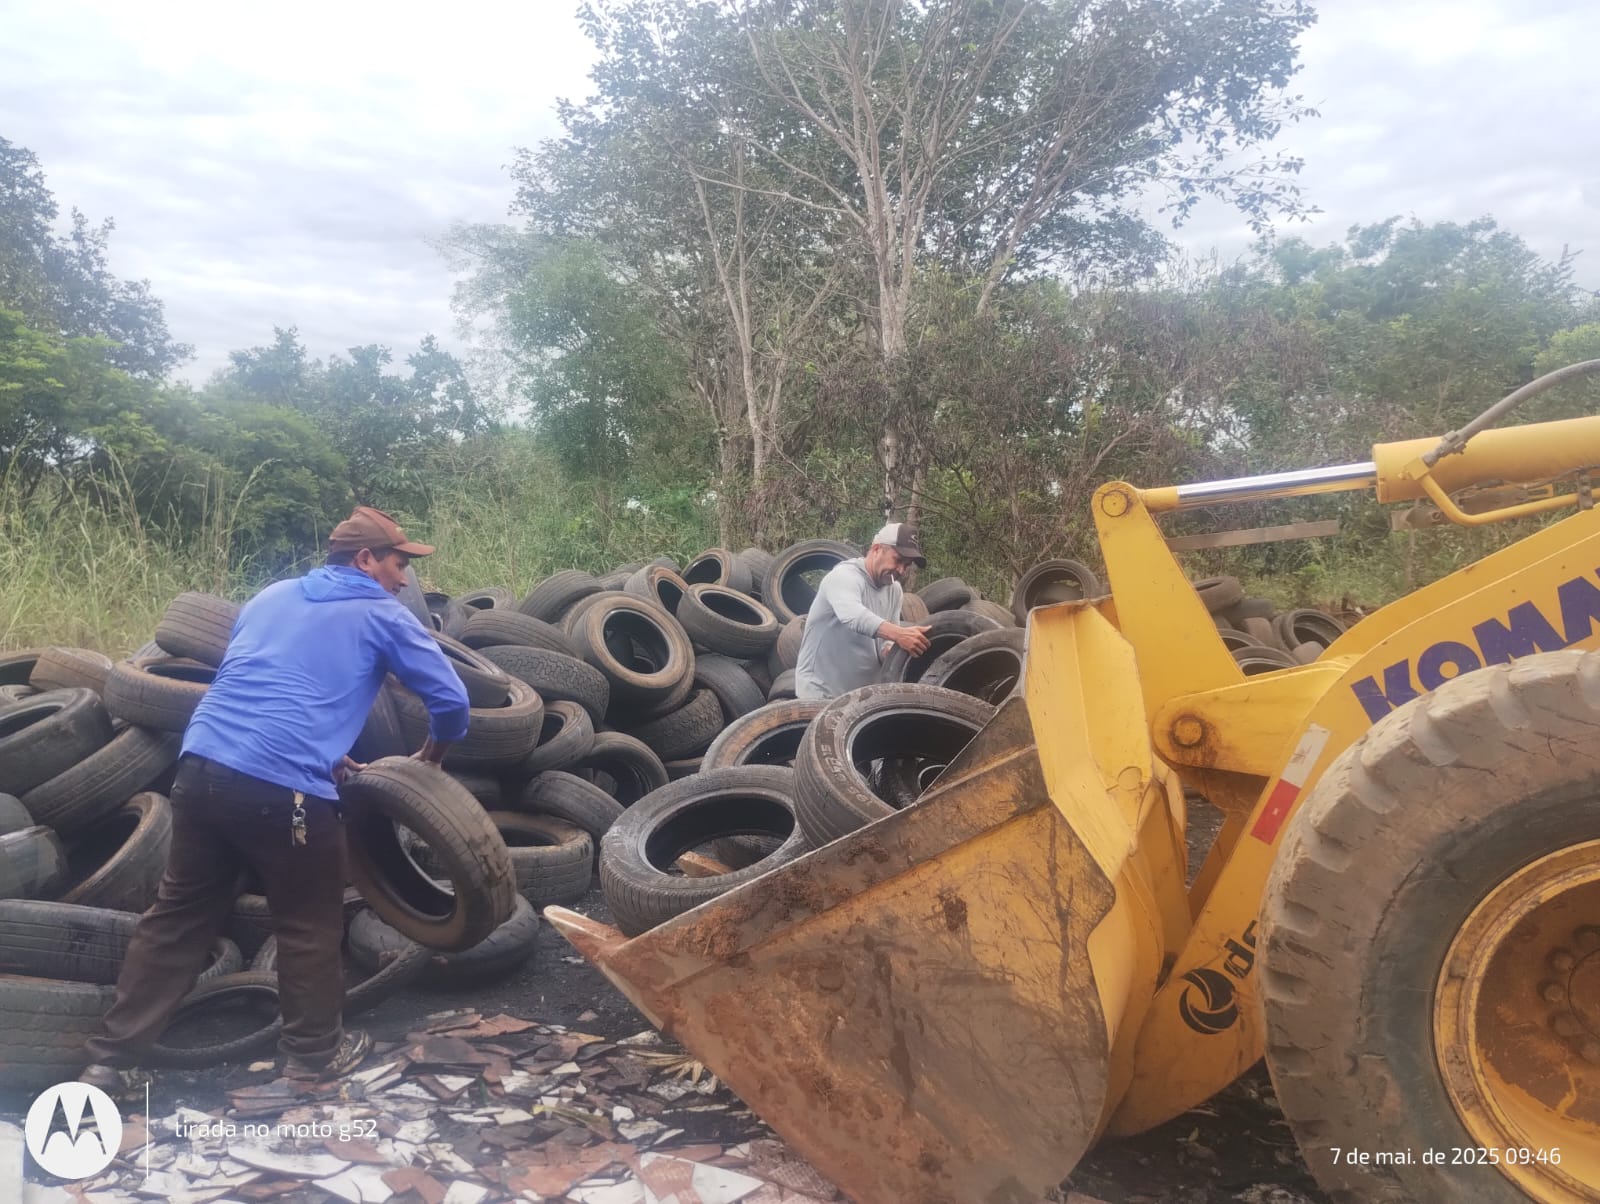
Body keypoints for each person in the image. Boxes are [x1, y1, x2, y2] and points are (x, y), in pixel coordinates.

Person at [80, 506, 471, 1092]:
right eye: (398, 562)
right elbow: (452, 702)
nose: (404, 577)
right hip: (281, 788)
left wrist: (327, 750)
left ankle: (110, 1063)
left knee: (176, 919)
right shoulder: (380, 612)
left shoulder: (272, 596)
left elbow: (266, 680)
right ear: (364, 560)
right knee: (309, 923)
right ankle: (314, 1058)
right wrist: (432, 760)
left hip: (201, 765)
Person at [794, 522, 932, 700]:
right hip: (820, 693)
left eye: (906, 565)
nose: (901, 570)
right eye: (898, 560)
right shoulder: (844, 577)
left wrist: (890, 650)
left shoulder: (894, 590)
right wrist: (900, 635)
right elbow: (853, 616)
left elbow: (886, 642)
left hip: (858, 699)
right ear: (876, 549)